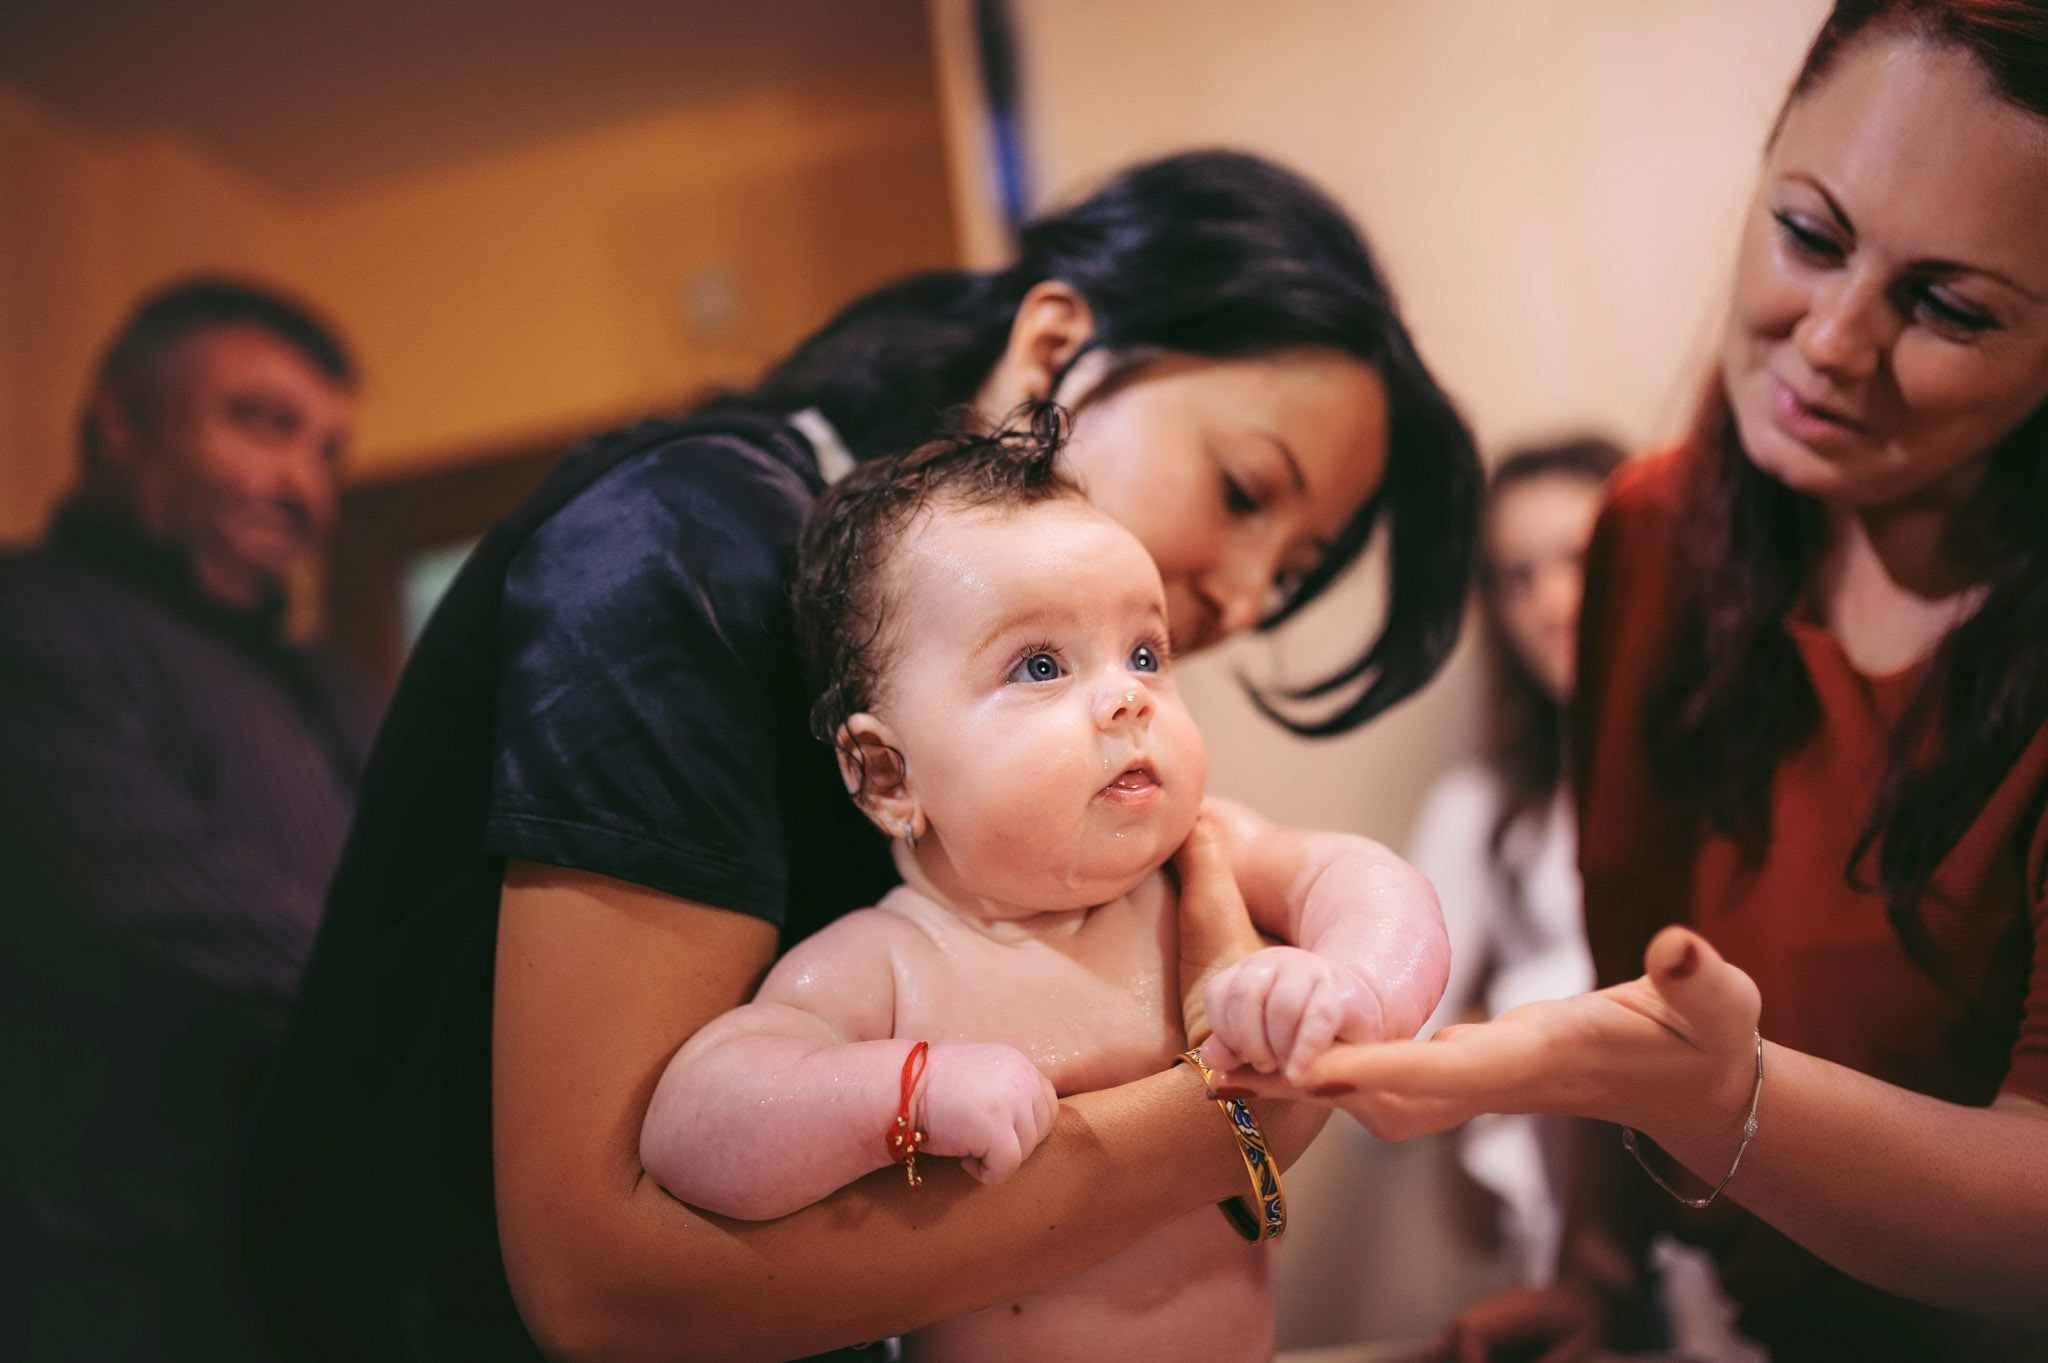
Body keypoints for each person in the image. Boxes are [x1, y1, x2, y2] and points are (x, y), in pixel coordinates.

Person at [245, 149, 1483, 1363]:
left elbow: (1339, 886)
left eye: (1297, 571)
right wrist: (1233, 1116)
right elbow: (606, 1280)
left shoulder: (1073, 804)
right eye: (1244, 491)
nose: (1247, 595)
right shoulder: (680, 556)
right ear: (1054, 349)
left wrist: (1354, 987)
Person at [1205, 5, 2048, 1360]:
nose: (1831, 341)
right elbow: (1632, 966)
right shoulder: (1654, 536)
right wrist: (1597, 1265)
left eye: (1948, 306)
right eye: (1810, 234)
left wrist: (1729, 1100)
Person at [643, 419, 1445, 1363]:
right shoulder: (892, 964)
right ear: (887, 775)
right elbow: (693, 1123)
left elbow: (1372, 883)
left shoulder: (1202, 859)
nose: (1127, 698)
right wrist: (903, 1092)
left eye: (1146, 653)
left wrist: (1349, 986)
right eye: (1039, 665)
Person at [0, 278, 379, 1362]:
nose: (303, 484)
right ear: (121, 423)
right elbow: (182, 920)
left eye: (327, 453)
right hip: (129, 1282)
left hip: (328, 1264)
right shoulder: (28, 625)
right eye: (262, 425)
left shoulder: (331, 680)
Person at [1405, 437, 1623, 1286]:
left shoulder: (1761, 773)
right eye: (1516, 577)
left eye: (1583, 559)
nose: (1553, 604)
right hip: (1564, 1247)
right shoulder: (1481, 813)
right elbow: (1395, 1049)